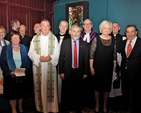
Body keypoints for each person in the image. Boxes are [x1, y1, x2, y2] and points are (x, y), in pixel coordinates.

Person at [28, 19, 59, 113]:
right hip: (39, 67)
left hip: (50, 67)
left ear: (50, 27)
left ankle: (51, 108)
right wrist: (39, 58)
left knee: (50, 88)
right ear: (40, 27)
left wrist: (50, 57)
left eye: (47, 26)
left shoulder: (54, 39)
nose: (45, 28)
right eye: (43, 26)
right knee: (40, 87)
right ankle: (40, 107)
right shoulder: (35, 39)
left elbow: (57, 53)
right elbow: (31, 53)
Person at [59, 25, 89, 113]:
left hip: (79, 71)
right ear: (70, 32)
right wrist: (61, 71)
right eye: (74, 31)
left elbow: (86, 60)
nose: (75, 33)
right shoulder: (65, 42)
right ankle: (67, 108)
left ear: (80, 33)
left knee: (78, 91)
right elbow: (61, 58)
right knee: (67, 91)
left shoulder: (85, 44)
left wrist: (85, 72)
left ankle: (77, 108)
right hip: (68, 71)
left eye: (78, 31)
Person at [0, 30, 30, 113]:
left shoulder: (24, 48)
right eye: (13, 37)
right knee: (12, 94)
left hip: (21, 74)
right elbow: (2, 62)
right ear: (10, 39)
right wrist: (9, 72)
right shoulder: (5, 49)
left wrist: (25, 71)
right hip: (10, 75)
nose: (15, 39)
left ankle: (20, 105)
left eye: (17, 37)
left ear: (20, 39)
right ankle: (13, 108)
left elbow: (28, 61)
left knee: (20, 93)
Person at [90, 20, 116, 113]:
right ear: (101, 29)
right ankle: (97, 104)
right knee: (97, 87)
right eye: (105, 28)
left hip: (108, 67)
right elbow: (91, 54)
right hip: (98, 67)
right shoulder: (96, 38)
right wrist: (91, 67)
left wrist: (114, 66)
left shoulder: (113, 39)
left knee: (106, 88)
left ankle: (105, 105)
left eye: (109, 28)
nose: (107, 30)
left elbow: (114, 55)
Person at [120, 25, 141, 113]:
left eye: (132, 31)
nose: (130, 34)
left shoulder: (140, 43)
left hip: (137, 73)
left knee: (136, 93)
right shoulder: (123, 43)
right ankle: (125, 108)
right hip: (124, 73)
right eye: (128, 32)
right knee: (125, 92)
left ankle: (135, 109)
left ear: (136, 32)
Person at [80, 19, 97, 110]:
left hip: (92, 63)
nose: (87, 26)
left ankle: (91, 103)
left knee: (91, 83)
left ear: (92, 25)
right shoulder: (79, 35)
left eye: (89, 24)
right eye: (85, 24)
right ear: (82, 26)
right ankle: (82, 102)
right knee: (81, 83)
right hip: (81, 63)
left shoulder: (96, 36)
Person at [109, 22, 123, 111]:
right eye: (112, 26)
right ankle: (109, 102)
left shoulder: (122, 38)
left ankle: (117, 102)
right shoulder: (107, 36)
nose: (114, 28)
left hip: (119, 62)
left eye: (116, 26)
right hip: (108, 62)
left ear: (119, 28)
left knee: (117, 81)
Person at [0, 25, 10, 111]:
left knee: (6, 86)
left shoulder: (8, 43)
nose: (1, 34)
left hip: (6, 68)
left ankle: (6, 106)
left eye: (2, 32)